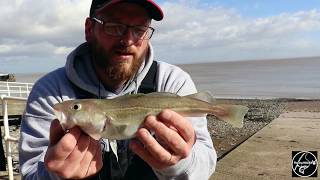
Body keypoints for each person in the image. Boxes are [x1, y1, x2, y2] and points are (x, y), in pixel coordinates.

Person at [19, 0, 217, 179]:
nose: (128, 40)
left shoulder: (173, 81)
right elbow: (29, 173)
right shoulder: (50, 92)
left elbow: (205, 164)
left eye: (140, 29)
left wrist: (180, 163)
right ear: (89, 28)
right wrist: (55, 176)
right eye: (114, 27)